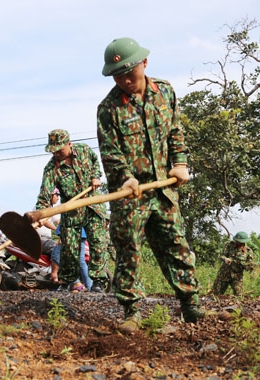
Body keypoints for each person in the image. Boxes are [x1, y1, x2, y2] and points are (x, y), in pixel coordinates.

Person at [97, 37, 204, 333]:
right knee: (128, 249)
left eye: (130, 73)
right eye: (118, 76)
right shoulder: (108, 109)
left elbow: (175, 133)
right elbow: (110, 152)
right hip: (130, 194)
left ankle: (190, 304)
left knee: (175, 244)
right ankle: (131, 311)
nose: (125, 81)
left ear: (145, 63)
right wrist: (125, 178)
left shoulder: (165, 92)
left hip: (164, 190)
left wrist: (180, 163)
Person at [35, 129, 110, 293]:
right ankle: (67, 281)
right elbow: (45, 193)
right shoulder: (51, 168)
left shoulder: (84, 150)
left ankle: (98, 281)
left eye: (59, 149)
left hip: (93, 206)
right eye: (53, 150)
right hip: (71, 210)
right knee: (69, 249)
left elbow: (95, 161)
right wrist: (41, 213)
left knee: (98, 243)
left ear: (69, 144)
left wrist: (96, 176)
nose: (56, 153)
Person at [212, 231, 255, 296]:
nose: (238, 243)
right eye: (237, 241)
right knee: (217, 294)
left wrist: (248, 266)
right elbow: (222, 256)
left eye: (240, 242)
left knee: (239, 296)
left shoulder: (248, 251)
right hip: (224, 273)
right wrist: (225, 259)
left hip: (237, 276)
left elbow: (249, 265)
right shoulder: (228, 245)